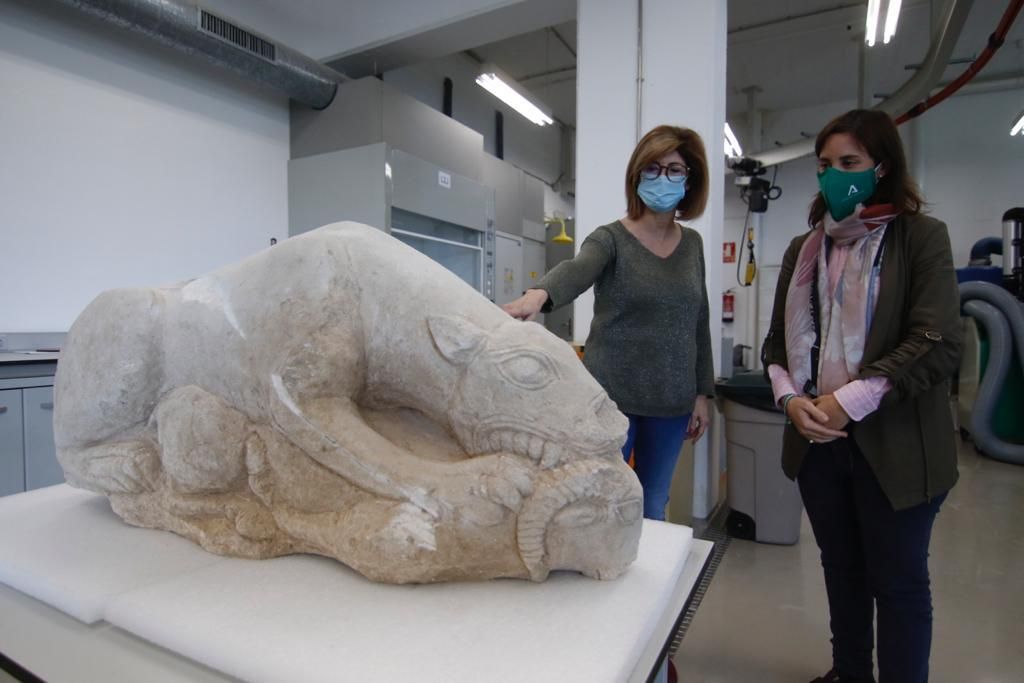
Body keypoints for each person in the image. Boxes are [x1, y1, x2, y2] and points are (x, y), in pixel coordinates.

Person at [761, 109, 961, 683]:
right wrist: (790, 400)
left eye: (849, 163)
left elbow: (937, 341)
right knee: (841, 571)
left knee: (897, 582)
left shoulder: (921, 238)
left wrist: (849, 399)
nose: (833, 176)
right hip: (819, 445)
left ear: (882, 167)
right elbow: (778, 343)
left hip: (896, 446)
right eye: (824, 165)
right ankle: (849, 674)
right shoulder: (806, 248)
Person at [502, 125, 715, 521]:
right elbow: (578, 269)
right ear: (636, 177)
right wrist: (540, 295)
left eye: (674, 170)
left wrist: (702, 393)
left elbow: (698, 320)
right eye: (652, 169)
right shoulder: (611, 239)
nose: (662, 178)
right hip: (610, 398)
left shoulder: (693, 246)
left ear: (690, 180)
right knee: (601, 499)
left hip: (672, 401)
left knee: (653, 502)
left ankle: (645, 581)